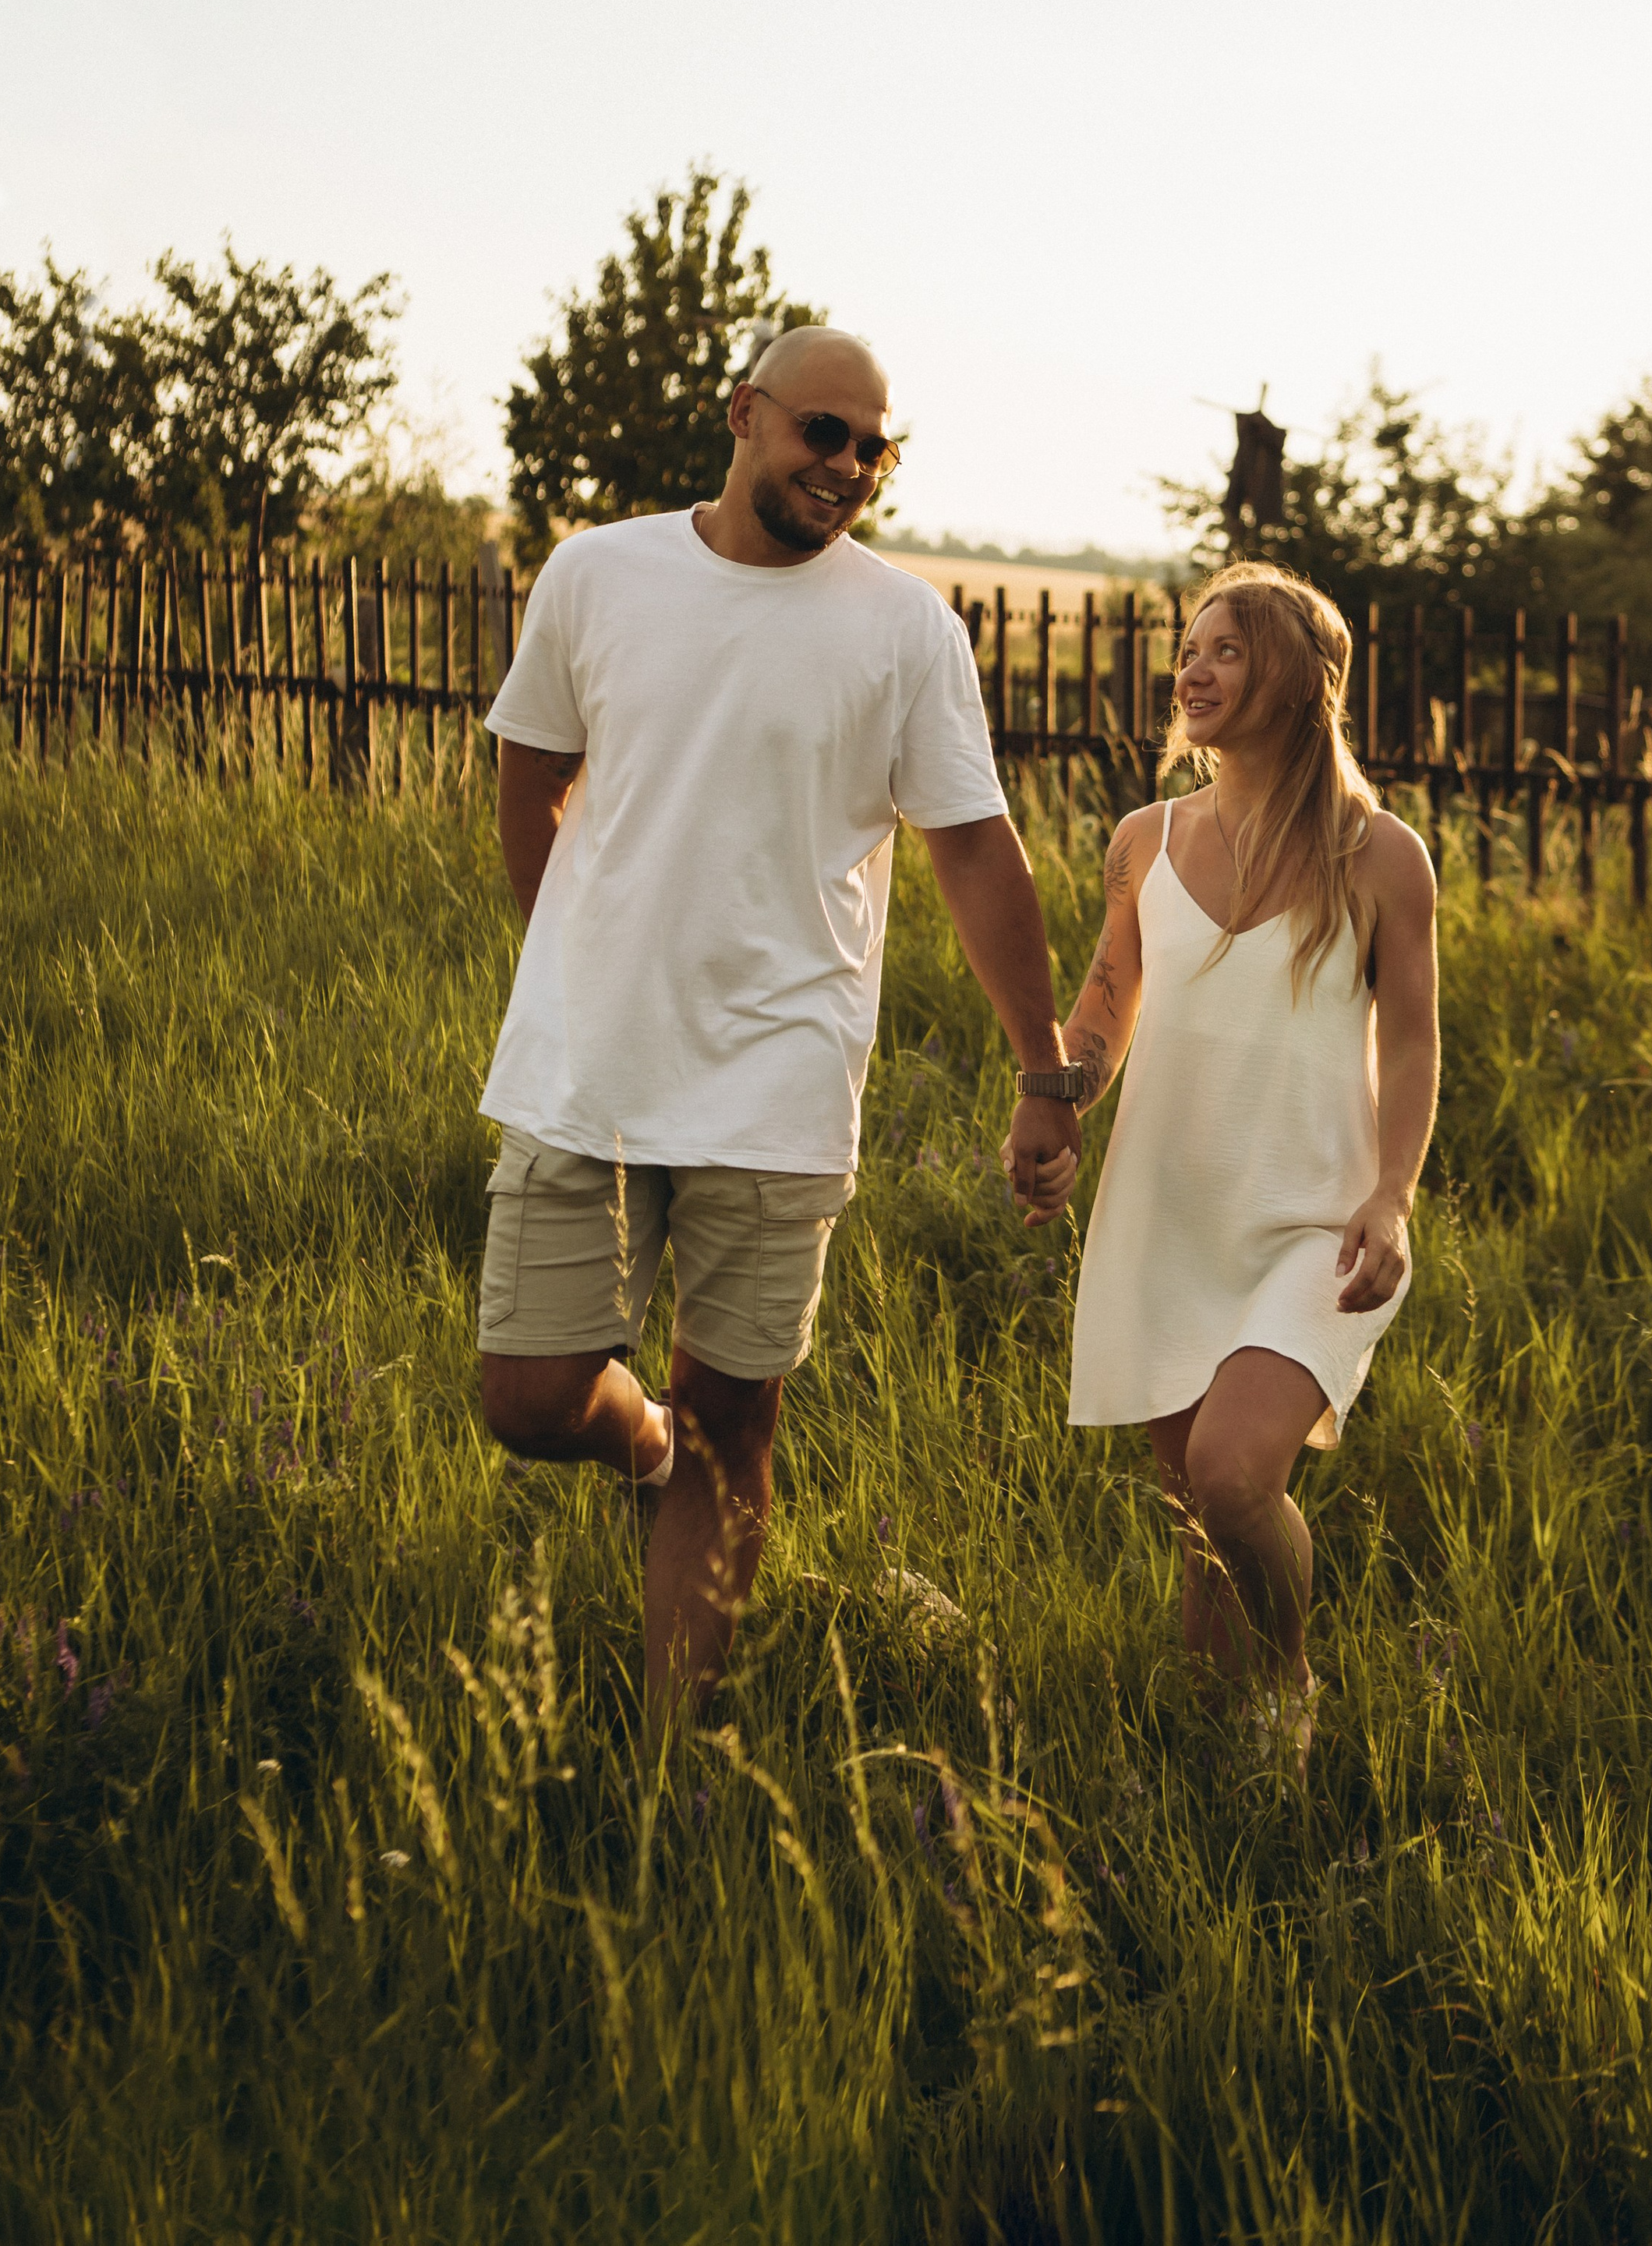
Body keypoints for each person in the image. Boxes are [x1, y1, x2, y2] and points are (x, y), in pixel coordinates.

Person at [476, 325, 1082, 1724]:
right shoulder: (599, 574)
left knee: (735, 1421)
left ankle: (671, 1772)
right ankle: (641, 1452)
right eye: (825, 433)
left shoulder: (906, 630)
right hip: (589, 1068)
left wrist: (1042, 1070)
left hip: (780, 1083)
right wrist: (570, 955)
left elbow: (975, 850)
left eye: (877, 447)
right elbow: (530, 772)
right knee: (530, 1395)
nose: (850, 465)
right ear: (744, 414)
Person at [1010, 563, 1439, 1766]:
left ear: (1298, 680)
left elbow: (1413, 1045)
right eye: (1190, 651)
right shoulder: (1144, 842)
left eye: (1227, 652)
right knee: (1201, 1529)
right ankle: (1225, 1781)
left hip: (1320, 1226)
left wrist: (1393, 1197)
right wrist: (1055, 1104)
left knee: (1235, 1477)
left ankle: (1291, 1683)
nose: (1193, 672)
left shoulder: (1382, 856)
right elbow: (1105, 1008)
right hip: (1168, 1218)